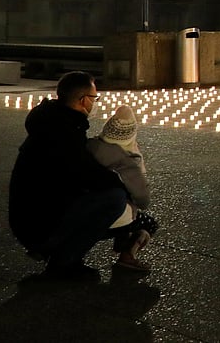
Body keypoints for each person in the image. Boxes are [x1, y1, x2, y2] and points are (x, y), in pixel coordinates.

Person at [8, 71, 127, 280]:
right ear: (83, 100)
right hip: (37, 223)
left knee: (108, 196)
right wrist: (123, 187)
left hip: (30, 217)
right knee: (115, 199)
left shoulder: (55, 121)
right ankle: (64, 261)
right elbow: (85, 172)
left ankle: (57, 251)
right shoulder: (62, 131)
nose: (96, 103)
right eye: (94, 98)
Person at [87, 104, 158, 272]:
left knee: (122, 205)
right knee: (144, 221)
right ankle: (127, 255)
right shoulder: (129, 162)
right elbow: (143, 200)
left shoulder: (90, 147)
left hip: (80, 212)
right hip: (108, 218)